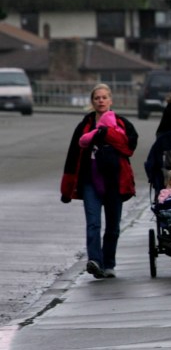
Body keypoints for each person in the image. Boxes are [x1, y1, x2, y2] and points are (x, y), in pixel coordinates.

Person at [60, 83, 138, 279]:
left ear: (111, 100)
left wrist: (107, 134)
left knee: (113, 226)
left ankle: (109, 263)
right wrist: (66, 188)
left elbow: (129, 147)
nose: (101, 101)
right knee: (93, 224)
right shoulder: (84, 126)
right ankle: (95, 261)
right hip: (90, 182)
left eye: (104, 97)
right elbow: (73, 155)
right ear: (92, 102)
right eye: (97, 98)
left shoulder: (122, 123)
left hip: (115, 182)